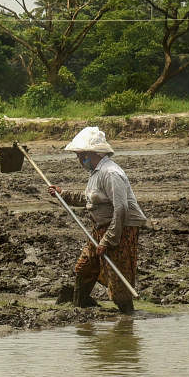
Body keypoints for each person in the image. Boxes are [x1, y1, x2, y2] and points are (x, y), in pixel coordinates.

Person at [48, 127, 148, 315]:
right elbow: (89, 200)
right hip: (100, 229)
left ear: (91, 154)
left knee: (119, 282)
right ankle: (79, 309)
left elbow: (121, 209)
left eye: (80, 155)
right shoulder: (95, 173)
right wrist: (62, 194)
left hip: (120, 230)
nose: (79, 160)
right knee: (83, 269)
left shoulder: (111, 173)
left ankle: (127, 319)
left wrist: (108, 240)